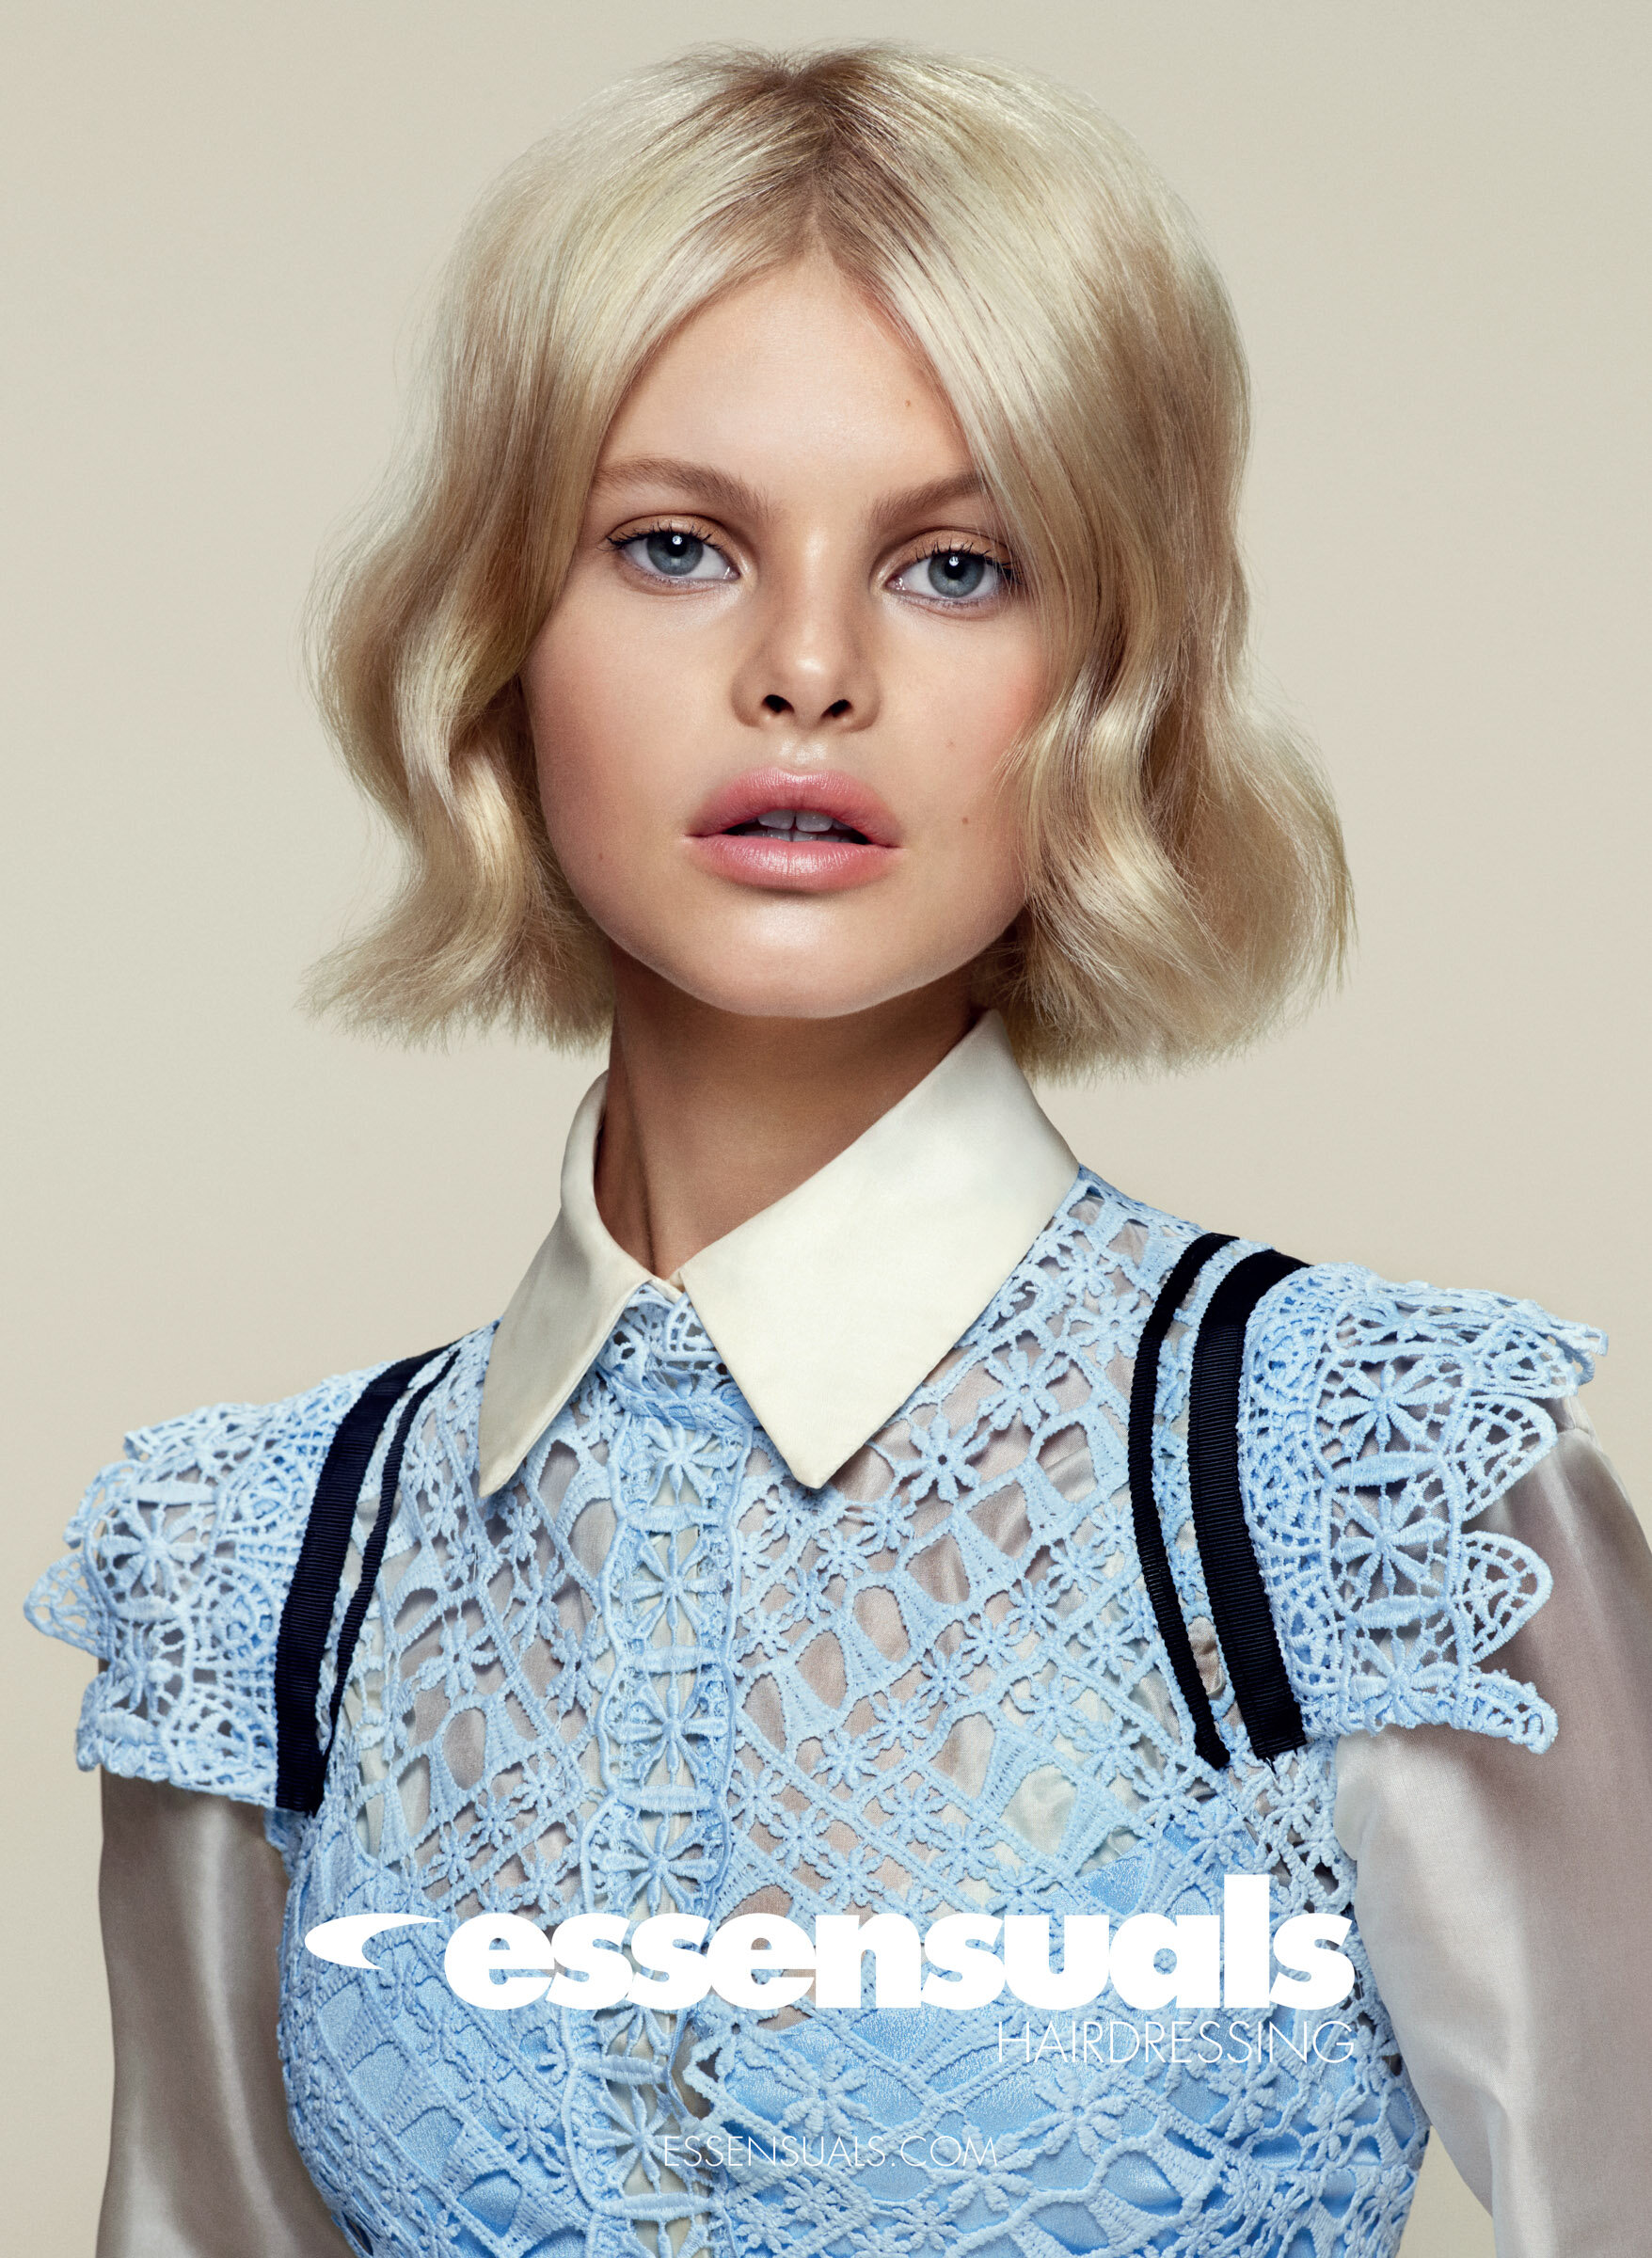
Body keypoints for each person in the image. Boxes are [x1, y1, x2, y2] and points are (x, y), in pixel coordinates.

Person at [24, 42, 1652, 2258]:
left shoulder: (1365, 1492)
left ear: (1110, 680)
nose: (806, 669)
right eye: (674, 546)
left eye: (956, 564)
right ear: (501, 643)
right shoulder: (260, 1574)